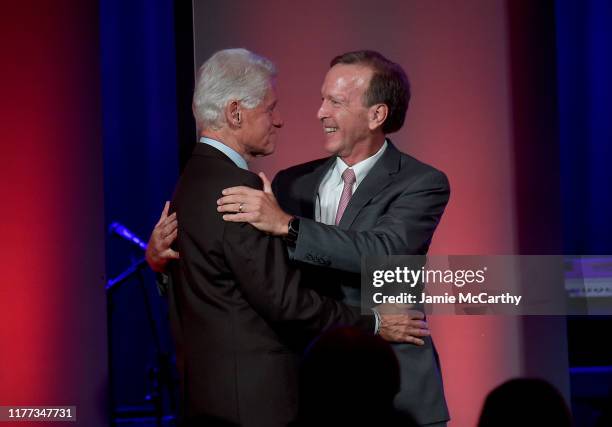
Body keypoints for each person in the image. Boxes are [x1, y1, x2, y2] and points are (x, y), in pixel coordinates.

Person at [158, 48, 429, 427]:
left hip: (375, 384)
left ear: (376, 114)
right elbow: (283, 300)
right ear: (235, 113)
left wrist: (288, 226)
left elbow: (387, 253)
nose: (289, 119)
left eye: (335, 101)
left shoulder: (196, 180)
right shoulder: (258, 189)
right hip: (269, 396)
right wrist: (373, 323)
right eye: (271, 108)